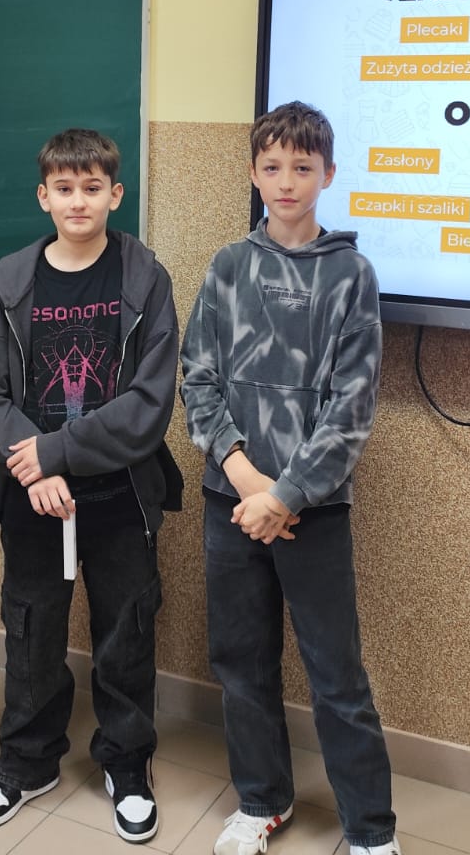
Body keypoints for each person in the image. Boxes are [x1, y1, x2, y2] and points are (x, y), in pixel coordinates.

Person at [180, 101, 400, 855]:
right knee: (240, 662)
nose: (286, 181)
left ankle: (370, 830)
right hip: (231, 503)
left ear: (327, 175)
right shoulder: (228, 267)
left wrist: (285, 495)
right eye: (272, 167)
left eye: (302, 168)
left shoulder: (351, 275)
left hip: (313, 511)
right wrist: (247, 481)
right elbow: (198, 380)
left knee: (336, 675)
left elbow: (352, 408)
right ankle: (262, 801)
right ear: (253, 173)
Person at [0, 128, 181, 844]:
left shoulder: (144, 278)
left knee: (126, 632)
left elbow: (149, 404)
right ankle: (26, 764)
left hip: (119, 497)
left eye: (92, 188)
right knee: (31, 633)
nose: (77, 201)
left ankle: (127, 764)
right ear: (43, 196)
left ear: (116, 194)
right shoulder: (14, 278)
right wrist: (34, 468)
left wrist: (56, 453)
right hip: (33, 497)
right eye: (64, 188)